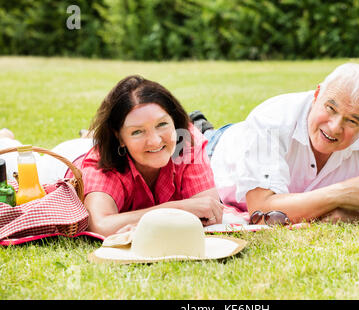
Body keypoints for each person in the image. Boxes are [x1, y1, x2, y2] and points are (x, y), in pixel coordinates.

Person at [0, 75, 223, 236]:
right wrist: (181, 208)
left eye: (162, 124)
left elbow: (209, 210)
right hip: (62, 162)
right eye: (137, 131)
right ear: (119, 137)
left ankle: (94, 135)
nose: (155, 140)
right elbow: (100, 224)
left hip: (97, 145)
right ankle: (6, 137)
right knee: (13, 159)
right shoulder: (99, 164)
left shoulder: (186, 139)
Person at [208, 63, 359, 224]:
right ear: (316, 95)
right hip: (216, 148)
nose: (334, 127)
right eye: (330, 108)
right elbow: (263, 211)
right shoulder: (272, 120)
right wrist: (340, 194)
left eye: (352, 121)